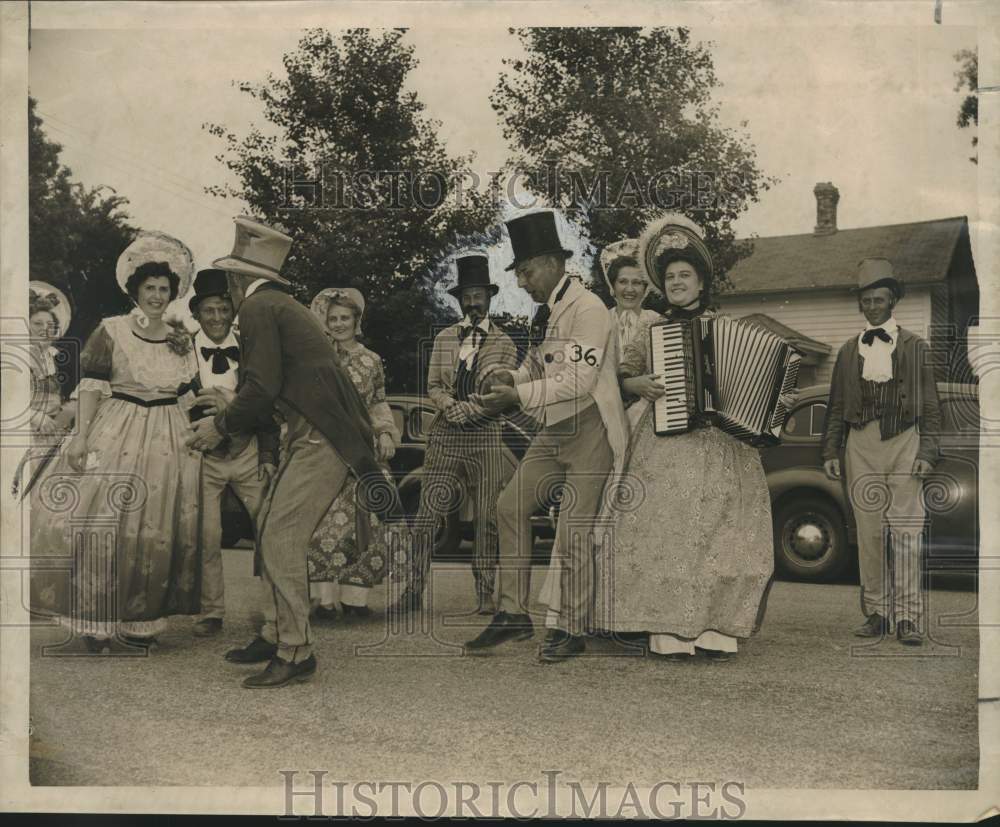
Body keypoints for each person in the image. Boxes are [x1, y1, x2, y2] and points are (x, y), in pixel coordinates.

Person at [187, 216, 402, 689]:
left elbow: (260, 387)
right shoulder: (282, 305)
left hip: (319, 437)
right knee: (268, 525)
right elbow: (269, 386)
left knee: (279, 536)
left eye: (230, 278)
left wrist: (219, 425)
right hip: (320, 433)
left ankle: (295, 649)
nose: (230, 287)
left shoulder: (260, 309)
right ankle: (274, 631)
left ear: (240, 278)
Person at [602, 214, 775, 662]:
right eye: (671, 277)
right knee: (669, 532)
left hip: (722, 447)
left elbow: (752, 384)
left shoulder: (723, 325)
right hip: (664, 442)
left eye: (685, 276)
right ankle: (669, 635)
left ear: (700, 283)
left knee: (721, 533)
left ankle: (715, 632)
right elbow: (623, 373)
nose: (677, 283)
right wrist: (637, 384)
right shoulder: (650, 328)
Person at [466, 210, 628, 663]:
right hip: (554, 427)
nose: (522, 282)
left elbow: (577, 380)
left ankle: (570, 628)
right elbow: (539, 366)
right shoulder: (548, 310)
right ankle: (513, 613)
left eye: (527, 271)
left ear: (554, 263)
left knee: (573, 527)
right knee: (508, 507)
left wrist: (514, 394)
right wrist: (509, 373)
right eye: (518, 273)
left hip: (590, 426)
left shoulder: (589, 309)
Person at [30, 232, 202, 652]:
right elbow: (90, 388)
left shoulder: (182, 337)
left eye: (164, 289)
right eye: (150, 288)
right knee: (102, 520)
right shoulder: (112, 330)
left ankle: (138, 619)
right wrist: (81, 438)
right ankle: (95, 622)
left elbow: (188, 393)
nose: (157, 296)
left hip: (169, 435)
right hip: (118, 427)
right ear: (135, 290)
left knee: (153, 528)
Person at [821, 258, 940, 646]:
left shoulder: (914, 346)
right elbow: (837, 406)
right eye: (867, 300)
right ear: (861, 305)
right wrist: (830, 451)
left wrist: (928, 449)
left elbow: (932, 405)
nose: (873, 306)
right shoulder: (847, 351)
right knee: (869, 533)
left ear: (893, 303)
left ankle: (908, 617)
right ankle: (876, 612)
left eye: (880, 299)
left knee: (907, 533)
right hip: (861, 444)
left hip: (905, 441)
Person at [393, 253, 520, 616]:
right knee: (427, 516)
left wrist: (474, 408)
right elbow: (433, 384)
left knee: (487, 518)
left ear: (490, 297)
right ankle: (413, 589)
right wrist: (448, 404)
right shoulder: (445, 338)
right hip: (446, 435)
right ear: (459, 300)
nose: (473, 302)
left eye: (479, 295)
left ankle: (485, 592)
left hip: (485, 436)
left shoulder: (505, 343)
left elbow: (503, 392)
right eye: (466, 296)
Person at [184, 268, 280, 638]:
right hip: (202, 456)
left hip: (248, 452)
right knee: (206, 536)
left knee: (268, 531)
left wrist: (269, 455)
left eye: (225, 309)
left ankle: (274, 611)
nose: (218, 318)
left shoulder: (253, 347)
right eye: (210, 310)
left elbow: (269, 405)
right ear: (197, 313)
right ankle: (210, 611)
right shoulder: (182, 350)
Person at [306, 287, 400, 619]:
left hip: (362, 454)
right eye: (333, 318)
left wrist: (386, 431)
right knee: (324, 525)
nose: (339, 323)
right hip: (326, 447)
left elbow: (377, 400)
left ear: (356, 320)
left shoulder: (371, 359)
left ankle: (354, 600)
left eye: (345, 317)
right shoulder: (317, 356)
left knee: (367, 524)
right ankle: (324, 600)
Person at [600, 239, 661, 432]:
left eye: (637, 283)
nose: (629, 289)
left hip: (651, 412)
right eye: (623, 282)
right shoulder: (598, 322)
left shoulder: (658, 322)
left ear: (645, 288)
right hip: (605, 413)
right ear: (613, 285)